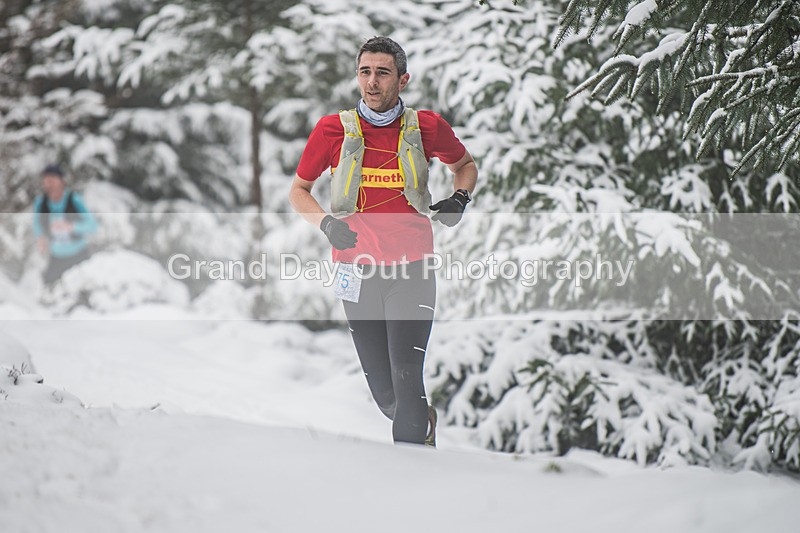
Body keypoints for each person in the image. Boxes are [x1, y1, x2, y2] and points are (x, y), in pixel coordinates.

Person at [289, 37, 478, 447]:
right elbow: (299, 191)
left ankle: (410, 471)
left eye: (382, 73)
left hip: (412, 269)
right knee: (386, 395)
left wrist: (460, 198)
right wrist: (326, 224)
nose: (372, 82)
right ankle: (422, 424)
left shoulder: (426, 127)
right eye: (365, 72)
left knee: (408, 377)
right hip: (354, 271)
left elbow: (464, 164)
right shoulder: (332, 130)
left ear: (402, 80)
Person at [33, 164, 97, 286]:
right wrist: (41, 238)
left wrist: (71, 227)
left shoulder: (74, 200)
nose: (50, 185)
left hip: (79, 255)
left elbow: (92, 226)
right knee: (49, 288)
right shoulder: (41, 203)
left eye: (52, 180)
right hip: (56, 257)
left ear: (62, 181)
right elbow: (37, 224)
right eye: (46, 181)